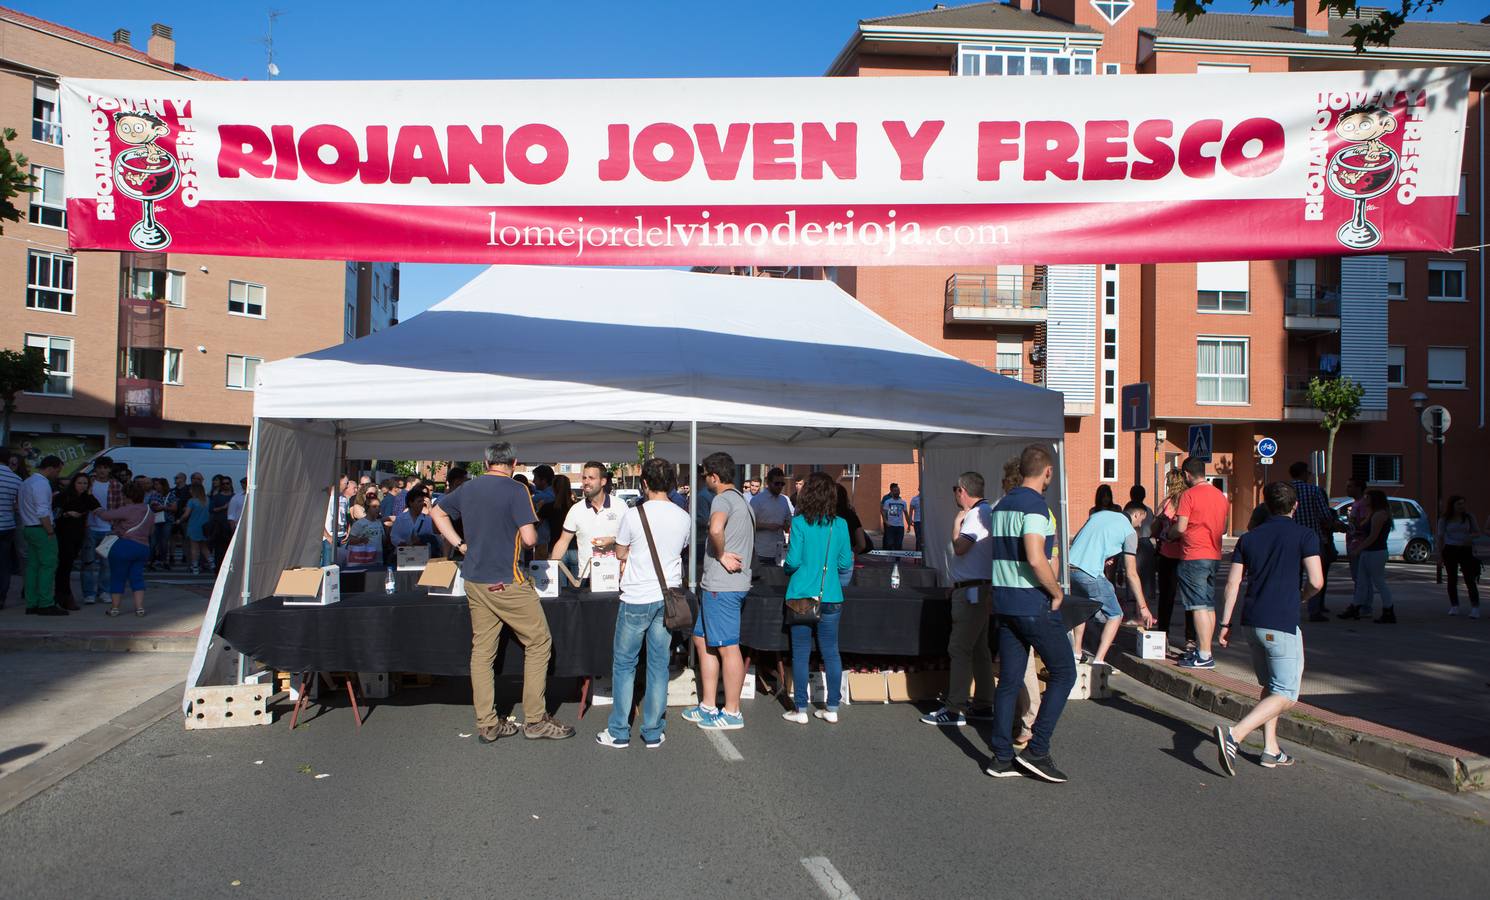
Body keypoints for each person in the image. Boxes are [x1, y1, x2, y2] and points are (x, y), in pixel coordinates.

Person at [431, 442, 574, 743]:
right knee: (538, 642)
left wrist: (460, 544)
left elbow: (437, 512)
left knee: (482, 652)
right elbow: (531, 537)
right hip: (506, 580)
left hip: (474, 579)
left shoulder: (468, 488)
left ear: (485, 463)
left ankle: (487, 723)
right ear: (515, 462)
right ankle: (534, 719)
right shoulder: (515, 490)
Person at [1214, 481, 1324, 775]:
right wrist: (1301, 598)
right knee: (1287, 694)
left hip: (1252, 622)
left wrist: (1224, 623)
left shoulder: (1248, 539)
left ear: (1266, 505)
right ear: (1295, 506)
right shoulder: (1305, 535)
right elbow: (1316, 581)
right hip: (1281, 622)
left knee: (1270, 687)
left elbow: (1233, 583)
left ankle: (1270, 749)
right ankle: (1235, 735)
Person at [984, 445, 1077, 783]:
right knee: (1065, 673)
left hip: (1004, 602)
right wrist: (1056, 591)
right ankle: (1038, 749)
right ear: (1047, 471)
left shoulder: (1002, 505)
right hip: (1031, 603)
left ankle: (1001, 757)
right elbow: (1037, 558)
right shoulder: (1036, 507)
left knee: (1008, 681)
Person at [596, 457, 692, 748]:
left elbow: (622, 553)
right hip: (668, 598)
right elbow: (681, 548)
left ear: (645, 482)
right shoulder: (682, 516)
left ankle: (619, 731)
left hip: (636, 596)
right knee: (659, 665)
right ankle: (653, 730)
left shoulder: (633, 514)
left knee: (625, 664)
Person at [921, 471, 997, 727]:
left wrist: (956, 525)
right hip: (976, 587)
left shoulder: (975, 515)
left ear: (962, 491)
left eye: (956, 488)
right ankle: (984, 703)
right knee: (978, 649)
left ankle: (955, 707)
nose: (954, 493)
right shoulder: (986, 512)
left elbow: (961, 547)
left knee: (960, 648)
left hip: (972, 592)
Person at [685, 452, 754, 730]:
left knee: (727, 646)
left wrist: (722, 553)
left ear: (714, 476)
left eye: (705, 475)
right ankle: (709, 705)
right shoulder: (741, 500)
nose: (704, 480)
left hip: (723, 587)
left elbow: (715, 529)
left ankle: (732, 711)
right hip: (721, 586)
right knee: (702, 640)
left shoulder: (722, 499)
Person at [779, 472, 855, 725]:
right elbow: (845, 562)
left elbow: (793, 561)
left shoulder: (799, 522)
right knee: (831, 652)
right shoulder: (841, 524)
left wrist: (788, 569)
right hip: (831, 594)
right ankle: (832, 706)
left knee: (800, 653)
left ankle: (800, 708)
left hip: (801, 594)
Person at [1069, 504, 1154, 667]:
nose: (1141, 525)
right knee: (1115, 614)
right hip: (1090, 573)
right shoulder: (1129, 532)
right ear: (1136, 515)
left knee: (1080, 609)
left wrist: (1102, 557)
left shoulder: (1099, 515)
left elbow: (1083, 540)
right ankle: (1100, 660)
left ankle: (1076, 652)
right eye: (1142, 520)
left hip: (1069, 568)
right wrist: (1143, 607)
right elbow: (1131, 573)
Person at [1167, 458, 1230, 669]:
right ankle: (1206, 650)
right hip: (1214, 553)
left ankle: (1204, 656)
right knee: (1208, 605)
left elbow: (1181, 527)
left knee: (1198, 606)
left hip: (1194, 554)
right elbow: (1223, 528)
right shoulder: (1220, 496)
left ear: (1186, 474)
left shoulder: (1189, 495)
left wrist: (1170, 534)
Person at [549, 462, 625, 577]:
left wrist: (613, 540)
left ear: (603, 481)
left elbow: (633, 539)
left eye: (591, 478)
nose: (586, 482)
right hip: (586, 578)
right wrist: (550, 569)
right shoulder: (576, 510)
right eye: (584, 478)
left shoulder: (620, 506)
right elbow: (563, 542)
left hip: (616, 577)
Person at [1152, 470, 1196, 654]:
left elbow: (1154, 529)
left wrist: (1160, 522)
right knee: (1190, 599)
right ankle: (1190, 639)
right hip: (1187, 554)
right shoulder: (1190, 500)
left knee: (1166, 598)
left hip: (1168, 555)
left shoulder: (1167, 503)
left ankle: (1163, 635)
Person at [1288, 461, 1337, 621]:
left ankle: (1290, 608)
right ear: (1303, 473)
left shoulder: (1285, 490)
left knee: (1293, 576)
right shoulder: (1314, 491)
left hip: (1290, 539)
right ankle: (1314, 610)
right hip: (1312, 539)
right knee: (1314, 575)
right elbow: (1325, 516)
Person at [97, 480, 153, 617]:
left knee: (118, 577)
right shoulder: (148, 510)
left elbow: (105, 516)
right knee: (137, 577)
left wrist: (97, 509)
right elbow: (151, 531)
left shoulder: (126, 509)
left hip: (124, 547)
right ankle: (139, 608)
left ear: (127, 496)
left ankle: (115, 608)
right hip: (143, 548)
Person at [1341, 489, 1395, 623]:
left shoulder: (1380, 514)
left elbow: (1373, 536)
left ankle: (1388, 610)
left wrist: (1359, 548)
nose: (1364, 500)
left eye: (1367, 498)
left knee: (1379, 581)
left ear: (1374, 499)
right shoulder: (1371, 513)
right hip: (1368, 551)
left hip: (1376, 551)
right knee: (1362, 581)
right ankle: (1356, 606)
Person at [20, 456, 64, 615]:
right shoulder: (42, 483)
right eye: (58, 470)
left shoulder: (27, 482)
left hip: (28, 527)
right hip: (42, 528)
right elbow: (42, 511)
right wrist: (50, 531)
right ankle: (46, 603)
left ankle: (32, 603)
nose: (58, 474)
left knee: (33, 566)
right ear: (51, 467)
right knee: (48, 565)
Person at [53, 472, 99, 611]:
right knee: (64, 566)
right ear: (74, 483)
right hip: (63, 534)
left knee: (68, 565)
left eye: (85, 483)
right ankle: (65, 596)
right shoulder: (64, 496)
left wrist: (90, 493)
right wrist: (67, 513)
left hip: (78, 535)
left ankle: (62, 596)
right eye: (80, 483)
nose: (82, 486)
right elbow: (54, 513)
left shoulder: (86, 497)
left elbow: (97, 507)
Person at [82, 456, 122, 605]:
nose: (102, 471)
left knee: (107, 563)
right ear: (96, 468)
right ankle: (89, 593)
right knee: (88, 562)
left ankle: (104, 591)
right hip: (90, 527)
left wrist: (116, 527)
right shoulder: (88, 483)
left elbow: (119, 507)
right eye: (100, 467)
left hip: (108, 528)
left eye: (105, 468)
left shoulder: (116, 485)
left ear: (110, 469)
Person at [1438, 495, 1481, 618]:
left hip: (1465, 549)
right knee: (1452, 578)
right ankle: (1454, 606)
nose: (1462, 506)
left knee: (1469, 578)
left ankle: (1475, 607)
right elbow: (1440, 537)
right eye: (1459, 504)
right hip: (1450, 549)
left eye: (1463, 503)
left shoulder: (1469, 517)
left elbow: (1477, 532)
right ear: (1452, 505)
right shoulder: (1444, 519)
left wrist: (1471, 537)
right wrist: (1440, 556)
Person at [750, 467, 792, 566]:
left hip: (780, 552)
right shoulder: (757, 500)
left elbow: (788, 522)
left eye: (782, 484)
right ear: (768, 483)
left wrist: (787, 525)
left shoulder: (784, 500)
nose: (780, 486)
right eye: (777, 483)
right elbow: (749, 524)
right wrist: (768, 526)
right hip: (762, 552)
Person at [1123, 485, 1156, 604]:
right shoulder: (1148, 510)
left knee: (1132, 572)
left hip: (1134, 542)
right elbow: (1152, 528)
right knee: (1145, 578)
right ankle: (1143, 605)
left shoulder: (1128, 509)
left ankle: (1134, 607)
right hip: (1146, 543)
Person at [390, 488, 441, 555]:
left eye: (423, 501)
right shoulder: (400, 519)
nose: (422, 504)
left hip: (423, 555)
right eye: (419, 501)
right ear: (411, 503)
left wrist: (422, 541)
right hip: (404, 555)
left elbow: (435, 538)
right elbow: (394, 536)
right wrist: (404, 543)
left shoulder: (428, 519)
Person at [0, 447, 19, 610]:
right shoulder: (15, 479)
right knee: (4, 564)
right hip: (7, 526)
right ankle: (1, 597)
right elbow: (16, 505)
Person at [345, 502, 385, 568]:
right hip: (364, 560)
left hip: (378, 560)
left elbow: (383, 539)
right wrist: (360, 540)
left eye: (379, 506)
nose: (377, 509)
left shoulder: (379, 523)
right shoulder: (359, 524)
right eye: (374, 507)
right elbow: (350, 541)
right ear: (367, 508)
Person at [183, 483, 212, 573]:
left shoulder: (192, 501)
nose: (190, 491)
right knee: (204, 547)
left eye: (191, 489)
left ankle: (195, 566)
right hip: (205, 526)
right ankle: (212, 563)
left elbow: (186, 514)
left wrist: (179, 520)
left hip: (194, 525)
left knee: (194, 547)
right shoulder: (207, 500)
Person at [208, 475, 234, 572]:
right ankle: (218, 568)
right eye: (223, 484)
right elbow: (211, 509)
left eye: (227, 483)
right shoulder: (216, 497)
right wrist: (223, 507)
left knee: (230, 547)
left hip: (230, 525)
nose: (225, 485)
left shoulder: (234, 496)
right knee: (218, 549)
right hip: (219, 525)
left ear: (230, 484)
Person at [835, 483, 868, 555]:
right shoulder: (851, 515)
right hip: (846, 556)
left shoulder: (823, 515)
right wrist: (851, 554)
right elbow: (862, 544)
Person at [147, 478, 172, 571]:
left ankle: (165, 561)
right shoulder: (153, 495)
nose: (156, 486)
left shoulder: (171, 494)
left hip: (167, 520)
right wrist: (164, 507)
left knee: (164, 542)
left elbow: (174, 507)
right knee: (153, 542)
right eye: (155, 484)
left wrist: (162, 507)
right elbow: (151, 506)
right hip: (155, 520)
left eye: (158, 484)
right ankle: (150, 561)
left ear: (163, 485)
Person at [881, 483, 909, 551]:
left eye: (898, 490)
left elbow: (906, 514)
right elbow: (883, 512)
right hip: (890, 526)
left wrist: (909, 524)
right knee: (890, 543)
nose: (897, 492)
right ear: (892, 492)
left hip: (900, 526)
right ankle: (889, 558)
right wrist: (885, 521)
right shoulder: (887, 501)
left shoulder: (903, 502)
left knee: (899, 544)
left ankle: (897, 560)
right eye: (895, 491)